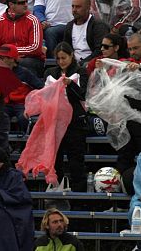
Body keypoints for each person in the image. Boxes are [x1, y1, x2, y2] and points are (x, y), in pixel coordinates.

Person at [46, 42, 89, 192]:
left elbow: (83, 95)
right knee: (55, 159)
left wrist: (70, 84)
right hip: (56, 121)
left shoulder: (81, 72)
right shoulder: (51, 72)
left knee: (76, 160)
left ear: (71, 56)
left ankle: (80, 197)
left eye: (64, 58)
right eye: (58, 59)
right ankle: (56, 190)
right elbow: (45, 95)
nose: (61, 62)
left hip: (75, 121)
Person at [0, 0, 45, 76]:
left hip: (29, 59)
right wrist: (7, 58)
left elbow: (35, 47)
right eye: (22, 3)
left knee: (25, 63)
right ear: (11, 5)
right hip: (5, 59)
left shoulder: (33, 20)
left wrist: (11, 53)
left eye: (26, 1)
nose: (26, 5)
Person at [63, 0, 110, 64]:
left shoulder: (99, 26)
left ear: (88, 8)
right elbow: (66, 48)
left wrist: (82, 63)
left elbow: (100, 51)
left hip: (93, 63)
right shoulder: (69, 26)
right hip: (74, 64)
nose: (74, 10)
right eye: (73, 6)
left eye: (78, 7)